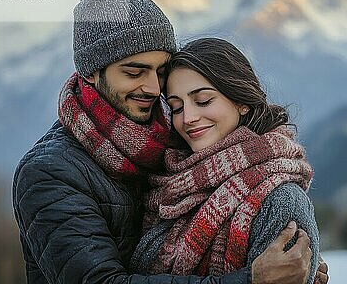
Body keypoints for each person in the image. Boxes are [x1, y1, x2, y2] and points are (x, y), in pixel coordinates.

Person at [12, 0, 327, 284]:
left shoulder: (176, 154)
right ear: (92, 72)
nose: (151, 88)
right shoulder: (50, 172)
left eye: (160, 72)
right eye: (135, 72)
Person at [130, 38, 321, 284]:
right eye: (177, 107)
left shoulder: (280, 199)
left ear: (241, 101)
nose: (188, 118)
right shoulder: (169, 186)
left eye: (203, 101)